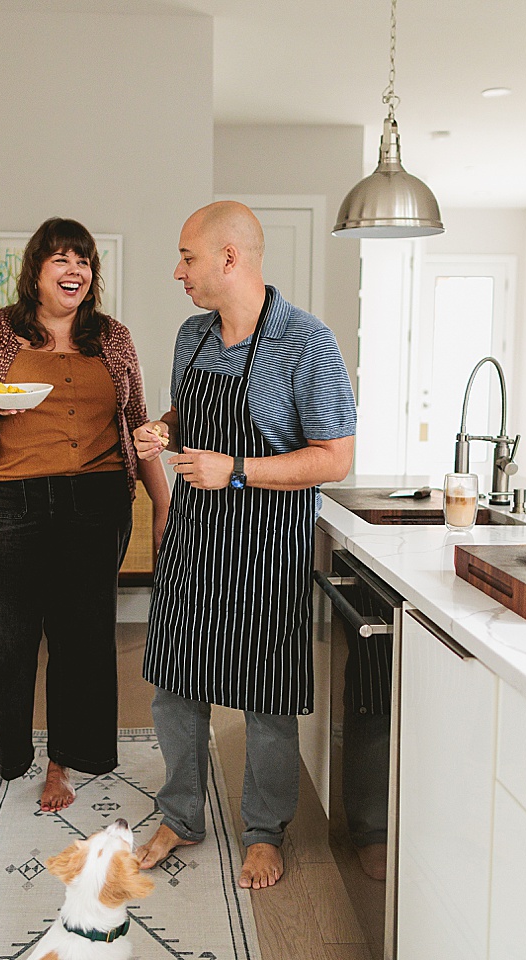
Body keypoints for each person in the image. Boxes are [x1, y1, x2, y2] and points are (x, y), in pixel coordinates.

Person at [133, 201, 356, 888]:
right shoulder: (191, 336)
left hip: (267, 546)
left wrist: (237, 470)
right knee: (174, 688)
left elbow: (335, 459)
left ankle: (264, 830)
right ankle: (181, 814)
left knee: (265, 698)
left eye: (187, 257)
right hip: (195, 537)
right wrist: (163, 430)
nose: (178, 271)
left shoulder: (307, 342)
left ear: (230, 258)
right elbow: (185, 412)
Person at [0, 217, 170, 811]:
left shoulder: (113, 339)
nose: (74, 271)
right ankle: (3, 747)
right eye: (60, 260)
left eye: (84, 261)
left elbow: (138, 424)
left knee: (82, 638)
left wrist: (163, 506)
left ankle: (63, 762)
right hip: (11, 501)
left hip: (94, 502)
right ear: (36, 272)